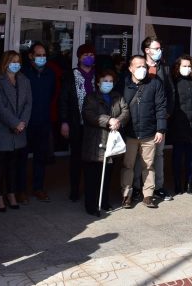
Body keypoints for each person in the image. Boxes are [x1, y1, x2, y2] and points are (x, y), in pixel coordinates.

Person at [0, 51, 32, 212]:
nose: (16, 64)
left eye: (18, 61)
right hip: (1, 129)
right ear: (5, 63)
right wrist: (14, 123)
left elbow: (28, 104)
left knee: (13, 164)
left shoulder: (24, 80)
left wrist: (22, 123)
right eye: (12, 61)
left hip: (19, 129)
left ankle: (11, 193)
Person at [121, 55, 167, 209]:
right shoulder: (124, 85)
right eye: (138, 66)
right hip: (130, 133)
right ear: (130, 68)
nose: (142, 69)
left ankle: (148, 196)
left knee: (148, 165)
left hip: (149, 132)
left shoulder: (155, 83)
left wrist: (160, 129)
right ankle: (126, 195)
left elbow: (161, 107)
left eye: (144, 66)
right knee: (128, 165)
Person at [82, 70, 129, 215]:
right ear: (98, 82)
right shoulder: (91, 97)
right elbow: (89, 114)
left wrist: (118, 121)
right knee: (92, 177)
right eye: (105, 81)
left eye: (111, 81)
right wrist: (108, 120)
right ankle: (91, 205)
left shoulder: (117, 96)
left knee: (107, 174)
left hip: (111, 141)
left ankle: (104, 201)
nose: (108, 84)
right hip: (95, 141)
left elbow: (125, 111)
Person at [18, 42, 55, 203]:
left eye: (44, 55)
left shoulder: (50, 74)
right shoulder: (23, 73)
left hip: (43, 121)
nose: (41, 58)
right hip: (25, 123)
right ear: (30, 56)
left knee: (40, 158)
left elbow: (53, 96)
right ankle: (20, 190)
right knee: (21, 158)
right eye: (38, 55)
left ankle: (38, 188)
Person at [59, 44, 97, 202]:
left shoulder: (99, 75)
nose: (89, 57)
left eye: (91, 54)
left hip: (95, 125)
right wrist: (64, 121)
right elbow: (63, 100)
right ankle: (74, 189)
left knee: (93, 160)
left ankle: (91, 189)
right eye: (85, 54)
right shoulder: (70, 75)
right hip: (77, 124)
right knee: (76, 159)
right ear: (79, 57)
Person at [141, 36, 175, 201]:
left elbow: (170, 91)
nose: (159, 51)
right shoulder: (138, 65)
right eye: (156, 48)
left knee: (159, 154)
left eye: (160, 48)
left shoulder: (164, 68)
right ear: (147, 50)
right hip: (142, 119)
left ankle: (158, 187)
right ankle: (138, 187)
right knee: (141, 155)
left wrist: (167, 112)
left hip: (160, 118)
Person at [168, 55, 192, 195]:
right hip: (178, 125)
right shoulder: (173, 83)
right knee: (177, 157)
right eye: (184, 66)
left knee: (191, 158)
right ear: (177, 67)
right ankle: (177, 183)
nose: (187, 69)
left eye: (189, 66)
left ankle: (189, 183)